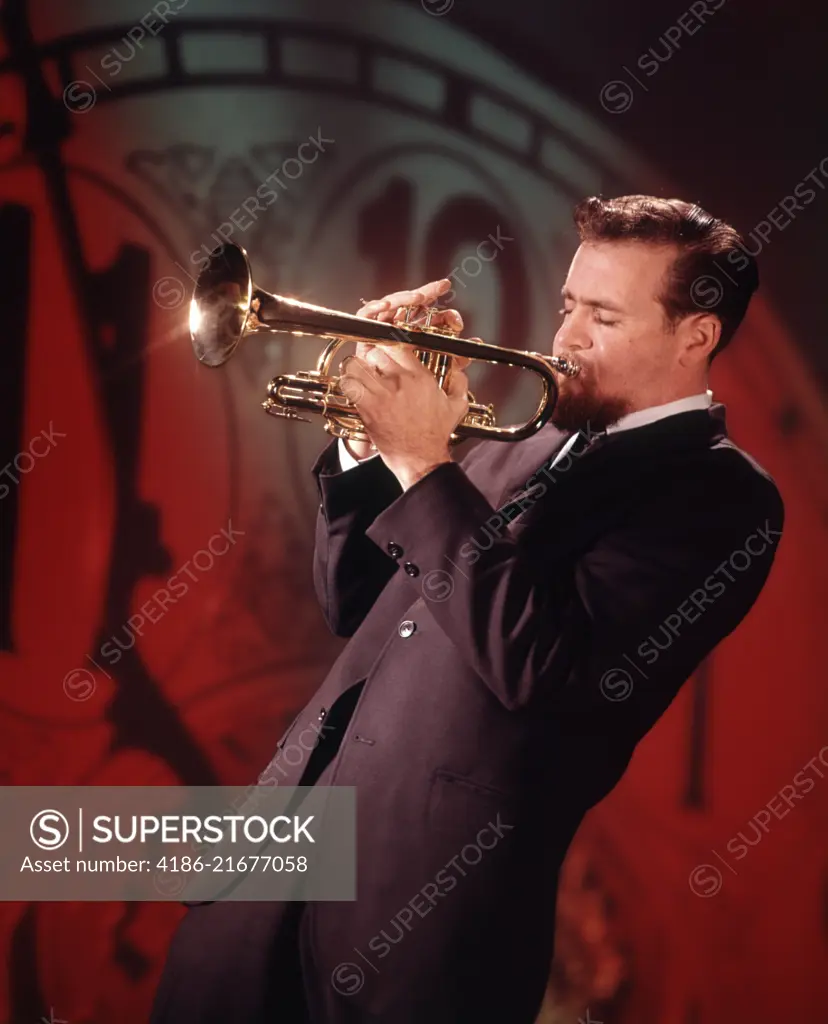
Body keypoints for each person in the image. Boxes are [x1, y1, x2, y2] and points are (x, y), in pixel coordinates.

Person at [150, 195, 785, 1023]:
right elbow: (354, 600)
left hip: (424, 924)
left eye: (602, 316)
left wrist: (423, 460)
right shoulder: (519, 442)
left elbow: (544, 666)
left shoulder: (720, 495)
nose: (565, 339)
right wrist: (369, 443)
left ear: (694, 335)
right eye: (567, 306)